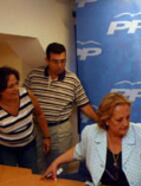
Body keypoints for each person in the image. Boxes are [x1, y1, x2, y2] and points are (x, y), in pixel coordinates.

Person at [44, 92, 141, 186]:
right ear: (107, 120)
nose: (126, 123)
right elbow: (79, 150)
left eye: (128, 117)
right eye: (119, 120)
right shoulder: (91, 133)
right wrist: (56, 162)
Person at [24, 42, 98, 173]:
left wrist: (100, 121)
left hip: (60, 130)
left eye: (63, 61)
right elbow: (23, 99)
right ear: (47, 60)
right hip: (37, 128)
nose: (60, 65)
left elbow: (84, 105)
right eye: (55, 61)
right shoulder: (33, 75)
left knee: (59, 169)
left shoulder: (72, 80)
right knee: (37, 167)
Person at [0, 66, 51, 172]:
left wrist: (47, 137)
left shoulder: (27, 95)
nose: (16, 88)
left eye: (16, 83)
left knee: (32, 175)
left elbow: (40, 115)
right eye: (11, 86)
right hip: (6, 150)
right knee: (9, 178)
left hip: (28, 145)